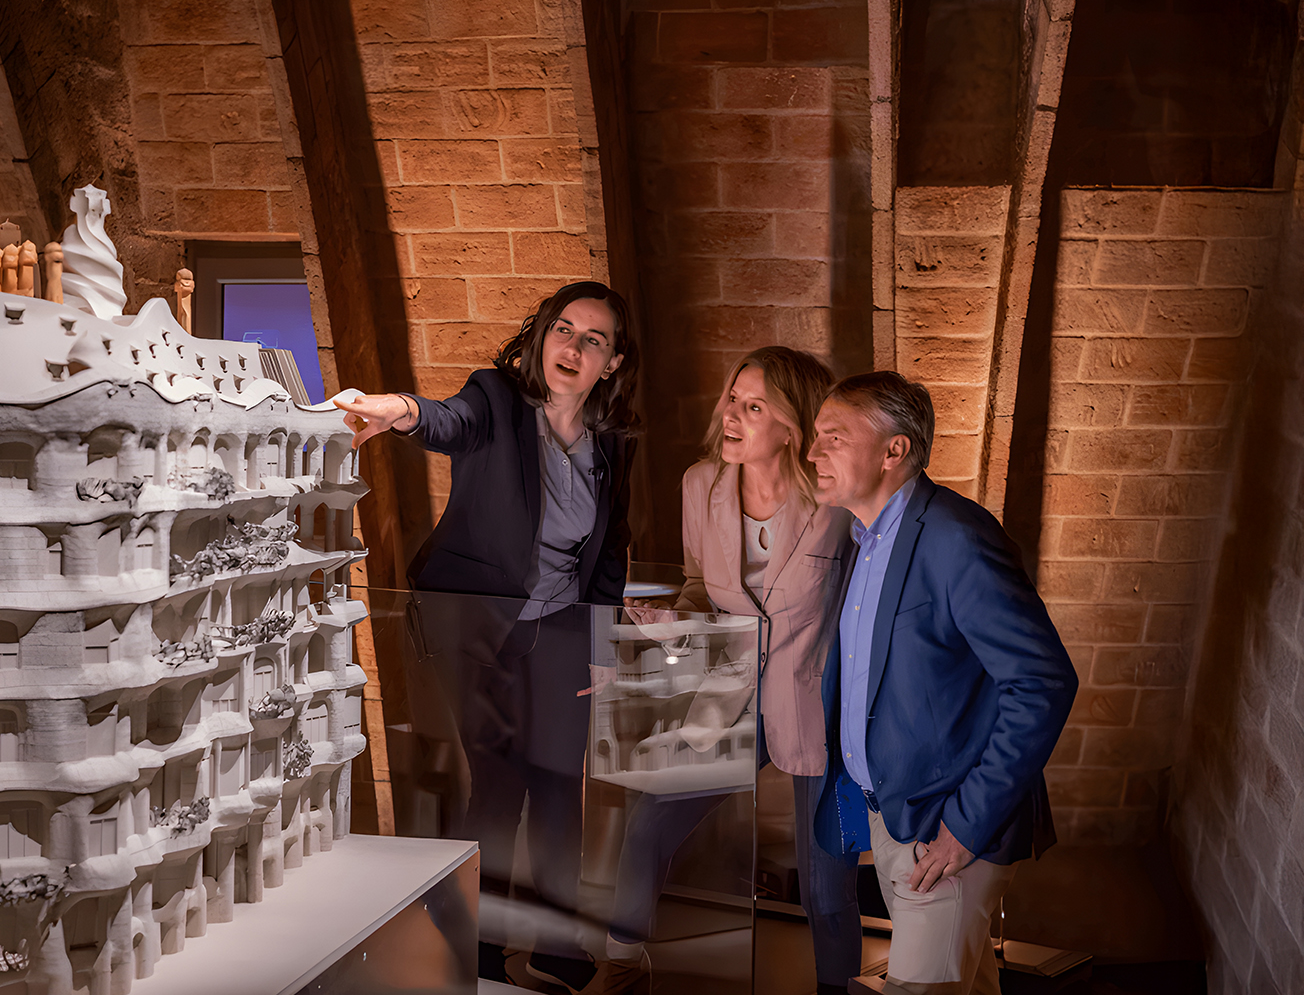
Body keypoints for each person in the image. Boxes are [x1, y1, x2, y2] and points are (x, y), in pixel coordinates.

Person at [337, 281, 640, 991]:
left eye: (592, 339)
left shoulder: (612, 444)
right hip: (473, 623)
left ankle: (557, 944)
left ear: (613, 363)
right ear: (542, 335)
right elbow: (447, 420)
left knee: (563, 788)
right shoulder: (496, 399)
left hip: (563, 627)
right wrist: (398, 411)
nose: (572, 347)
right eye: (563, 329)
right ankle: (469, 940)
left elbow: (611, 547)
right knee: (498, 787)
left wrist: (604, 638)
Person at [595, 347, 861, 995]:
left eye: (752, 406)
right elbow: (697, 588)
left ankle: (837, 990)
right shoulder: (700, 484)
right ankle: (620, 966)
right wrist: (670, 628)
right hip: (728, 688)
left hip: (816, 705)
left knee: (826, 885)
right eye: (731, 399)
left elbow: (863, 608)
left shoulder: (839, 501)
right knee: (649, 820)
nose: (731, 415)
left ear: (794, 425)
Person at [807, 372, 1078, 995]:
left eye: (833, 437)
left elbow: (1042, 682)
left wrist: (964, 827)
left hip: (949, 830)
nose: (813, 453)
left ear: (893, 451)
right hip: (895, 817)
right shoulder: (862, 540)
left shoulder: (957, 538)